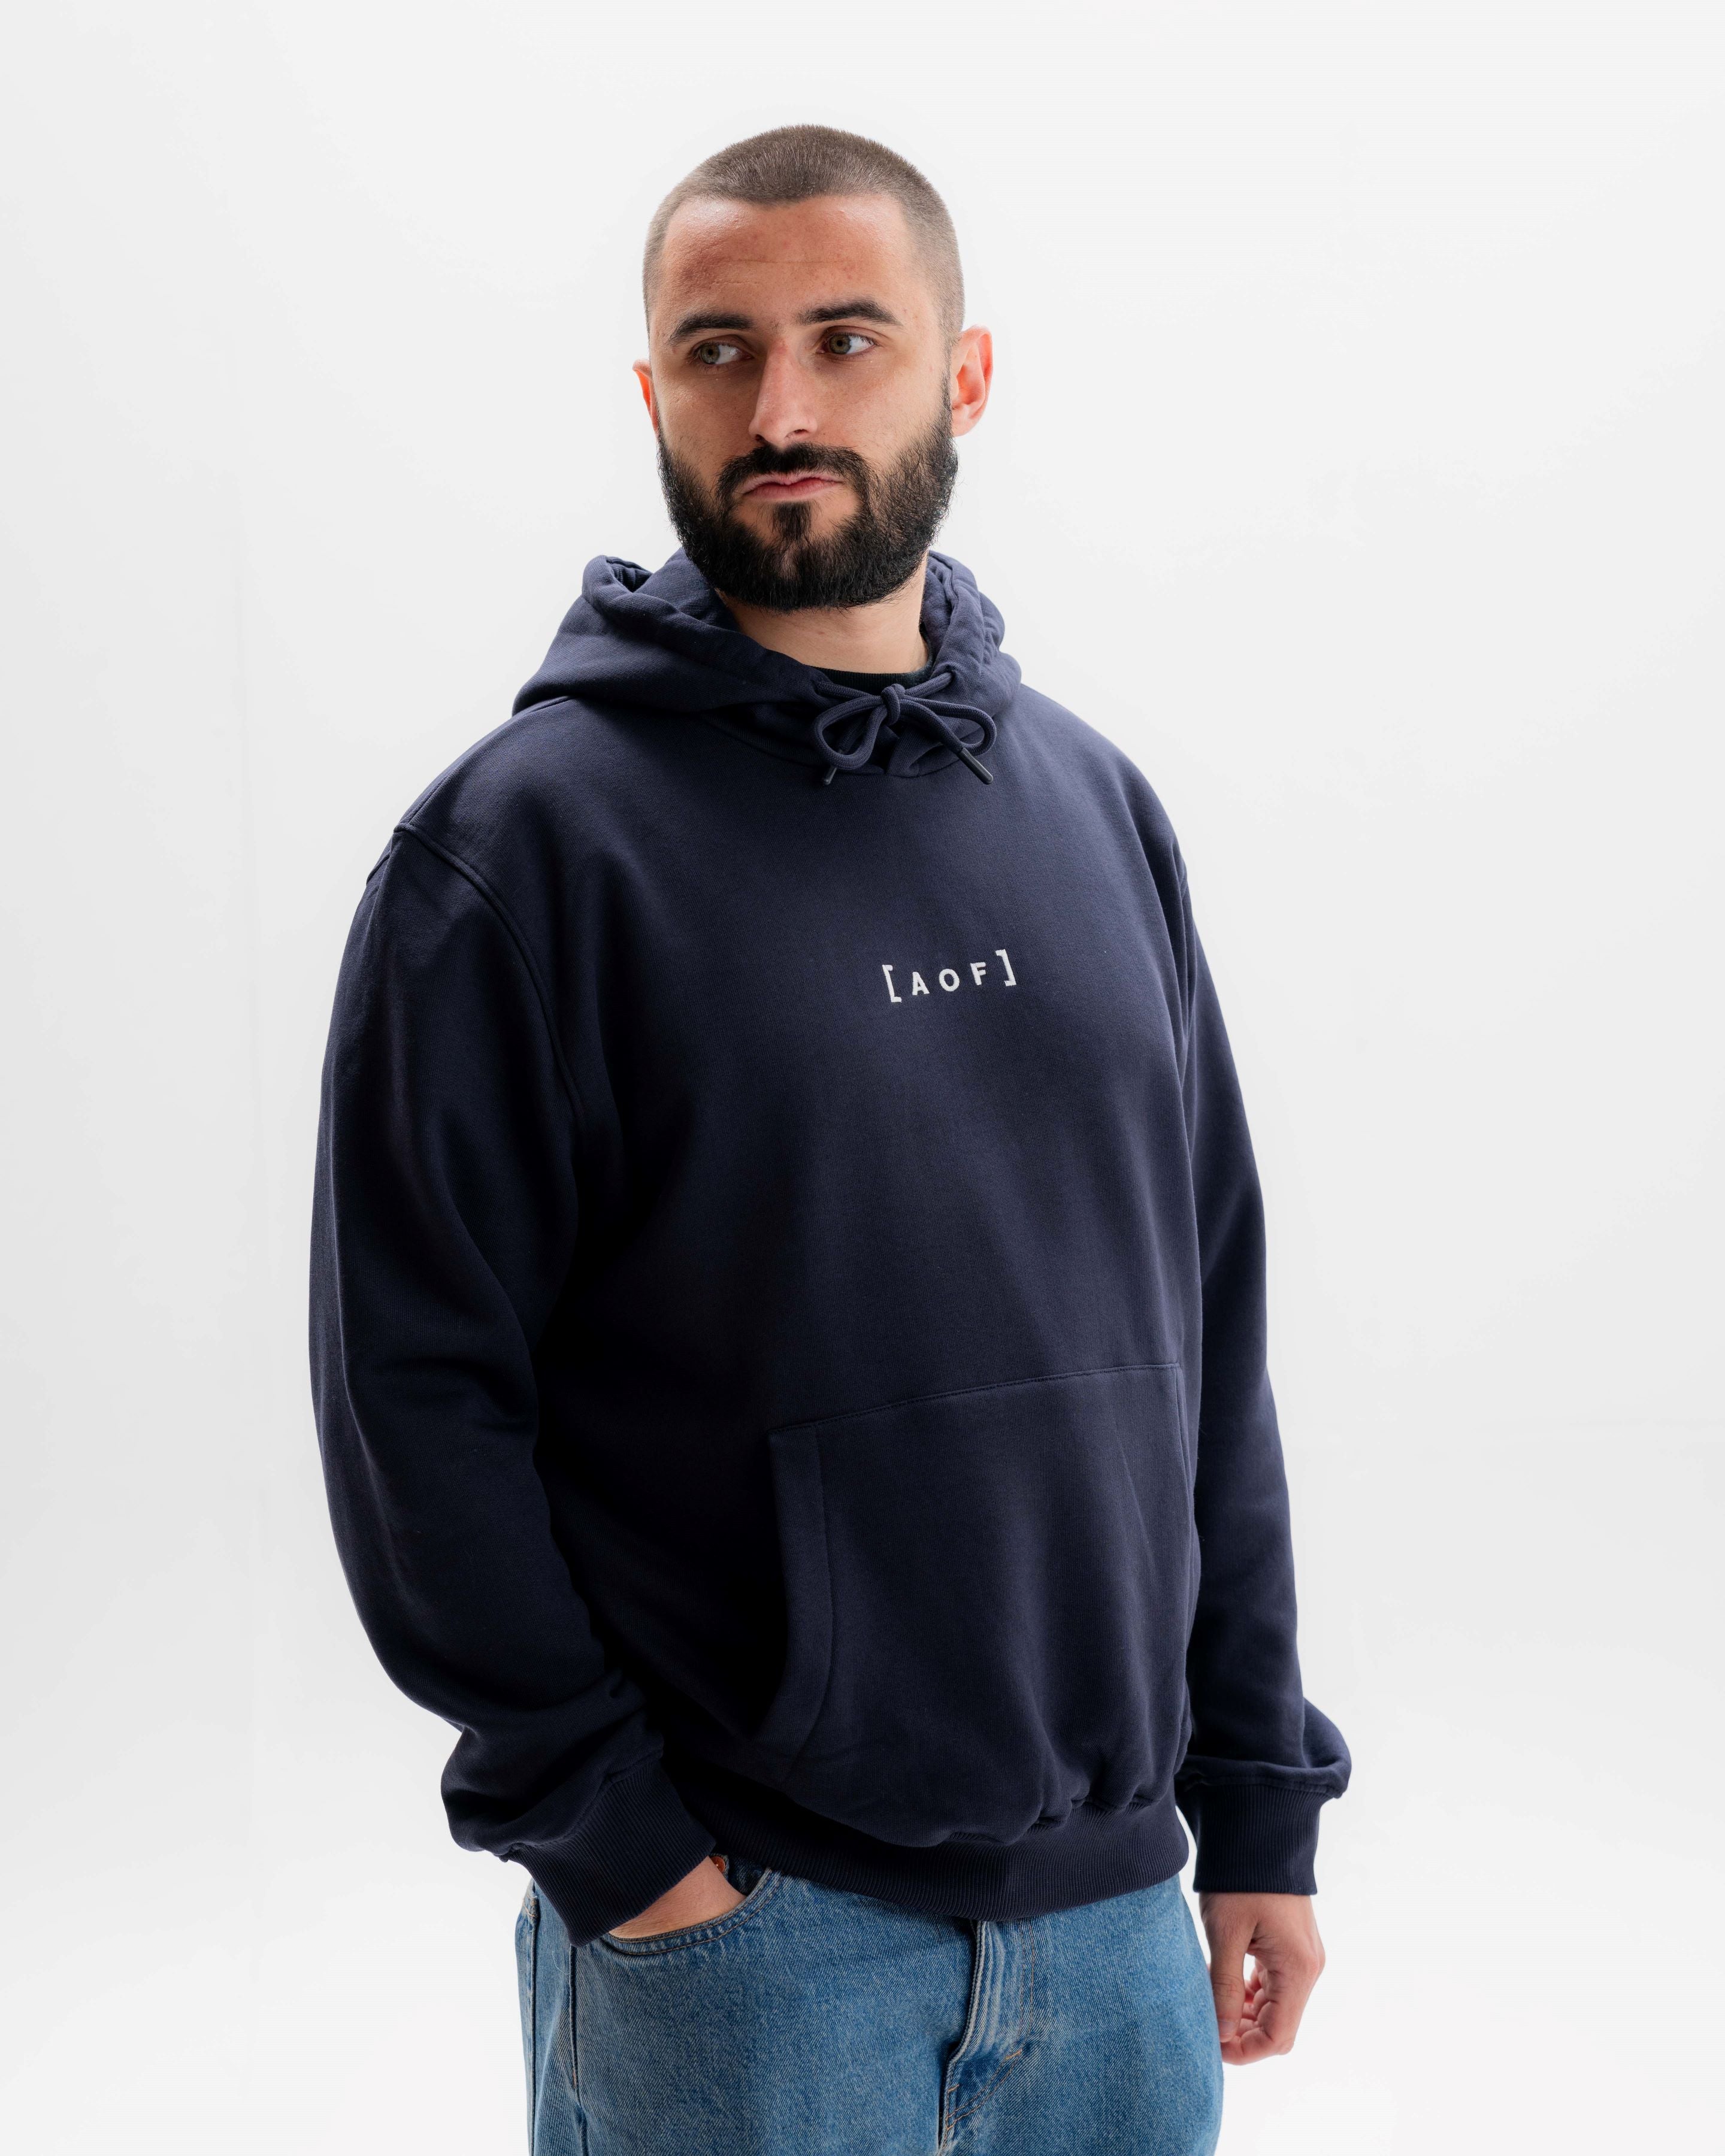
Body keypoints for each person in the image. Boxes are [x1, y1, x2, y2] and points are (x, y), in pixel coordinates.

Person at [308, 123, 1350, 2156]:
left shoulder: (1096, 811)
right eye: (720, 352)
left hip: (1122, 1931)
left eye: (845, 340)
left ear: (965, 373)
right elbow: (416, 1401)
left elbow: (1206, 1338)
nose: (780, 409)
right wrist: (625, 1857)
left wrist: (1256, 1801)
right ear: (655, 393)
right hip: (746, 1948)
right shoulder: (522, 852)